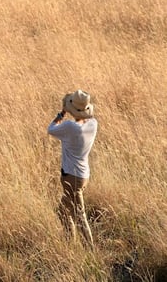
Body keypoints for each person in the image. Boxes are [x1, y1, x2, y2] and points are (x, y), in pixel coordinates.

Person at [47, 89, 98, 249]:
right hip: (83, 174)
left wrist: (61, 114)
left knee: (79, 214)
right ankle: (70, 241)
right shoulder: (93, 125)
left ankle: (90, 249)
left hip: (71, 177)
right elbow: (88, 118)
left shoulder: (70, 127)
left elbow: (51, 129)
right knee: (63, 210)